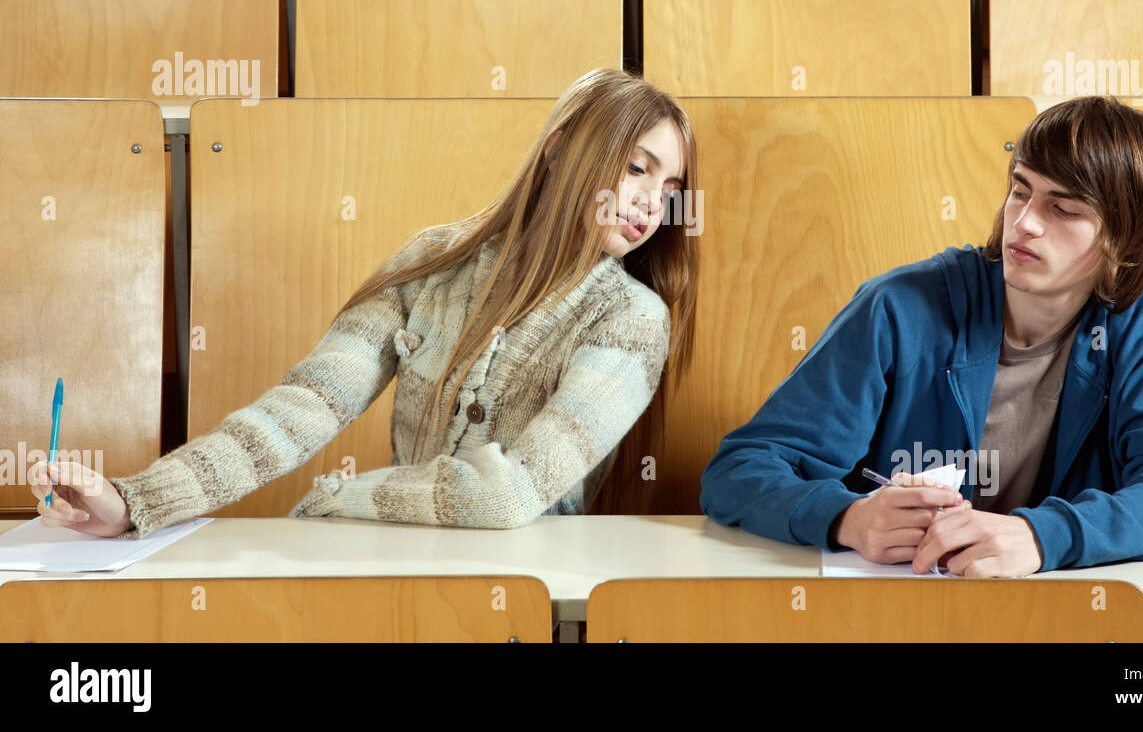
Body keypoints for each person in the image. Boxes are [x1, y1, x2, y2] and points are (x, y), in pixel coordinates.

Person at [32, 69, 699, 538]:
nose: (651, 201)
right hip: (396, 556)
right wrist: (132, 500)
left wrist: (337, 497)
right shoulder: (431, 262)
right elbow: (301, 409)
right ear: (559, 153)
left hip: (518, 586)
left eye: (669, 186)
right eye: (638, 168)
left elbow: (509, 493)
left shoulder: (633, 322)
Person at [700, 96, 1143, 577]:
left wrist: (1040, 537)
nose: (1025, 222)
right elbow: (739, 470)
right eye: (1020, 190)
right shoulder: (899, 308)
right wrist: (848, 519)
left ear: (1125, 243)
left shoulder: (1138, 320)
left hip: (1055, 615)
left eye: (1063, 209)